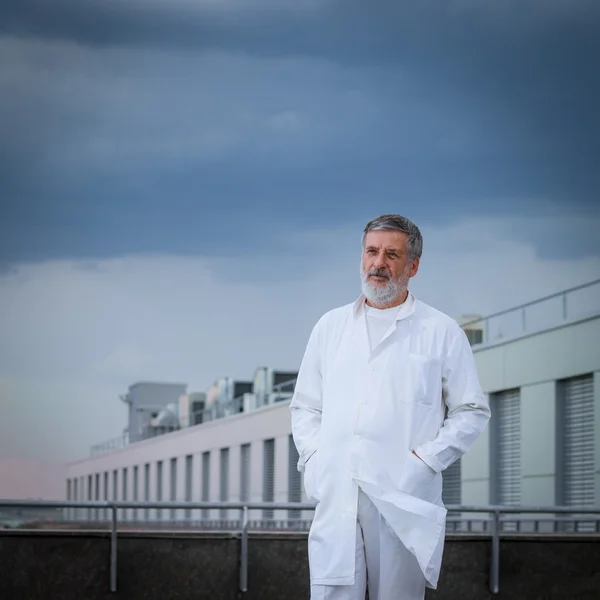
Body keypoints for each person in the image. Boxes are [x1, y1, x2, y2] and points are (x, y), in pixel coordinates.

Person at [290, 214, 491, 600]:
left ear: (412, 265)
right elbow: (305, 408)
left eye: (392, 254)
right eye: (371, 251)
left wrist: (425, 462)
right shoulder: (329, 328)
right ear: (361, 258)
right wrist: (315, 458)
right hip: (339, 491)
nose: (379, 262)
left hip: (401, 496)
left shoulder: (441, 332)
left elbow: (470, 410)